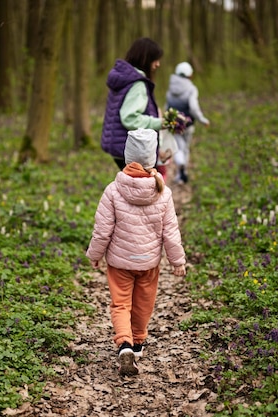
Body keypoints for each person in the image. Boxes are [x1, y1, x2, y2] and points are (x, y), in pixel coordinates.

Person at [86, 128, 187, 376]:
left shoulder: (113, 190)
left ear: (127, 156)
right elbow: (170, 232)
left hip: (119, 263)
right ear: (151, 158)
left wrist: (94, 254)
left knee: (120, 303)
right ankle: (138, 342)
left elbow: (102, 231)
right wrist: (177, 261)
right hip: (148, 263)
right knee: (143, 303)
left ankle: (125, 344)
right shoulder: (163, 192)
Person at [101, 38, 168, 179]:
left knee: (132, 191)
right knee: (143, 194)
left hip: (120, 147)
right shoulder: (137, 84)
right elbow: (130, 118)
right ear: (145, 59)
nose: (158, 64)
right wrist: (160, 123)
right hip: (132, 149)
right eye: (155, 60)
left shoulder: (124, 79)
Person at [165, 61, 210, 184]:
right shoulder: (191, 89)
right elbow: (193, 108)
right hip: (188, 123)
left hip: (174, 123)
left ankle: (180, 172)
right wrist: (202, 119)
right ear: (189, 74)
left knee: (178, 147)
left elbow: (167, 106)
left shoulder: (171, 89)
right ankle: (183, 169)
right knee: (186, 148)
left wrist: (165, 120)